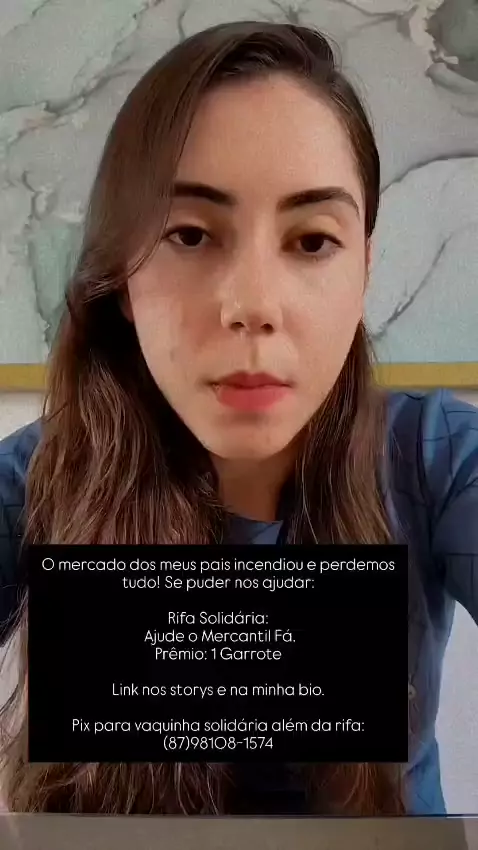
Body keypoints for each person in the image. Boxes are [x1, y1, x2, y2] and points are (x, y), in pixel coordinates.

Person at [0, 20, 476, 818]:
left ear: (365, 267)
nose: (253, 304)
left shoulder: (438, 460)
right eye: (189, 234)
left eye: (312, 241)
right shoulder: (38, 475)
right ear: (121, 274)